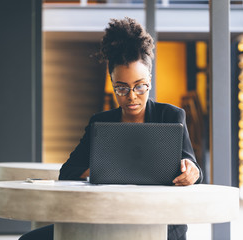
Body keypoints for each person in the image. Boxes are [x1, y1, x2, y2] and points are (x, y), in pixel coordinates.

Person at [20, 17, 203, 240]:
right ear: (113, 83)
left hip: (159, 224)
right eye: (122, 89)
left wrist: (191, 171)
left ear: (150, 81)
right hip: (107, 218)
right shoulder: (100, 123)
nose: (132, 96)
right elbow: (67, 172)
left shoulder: (171, 116)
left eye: (140, 86)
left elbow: (191, 167)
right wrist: (101, 170)